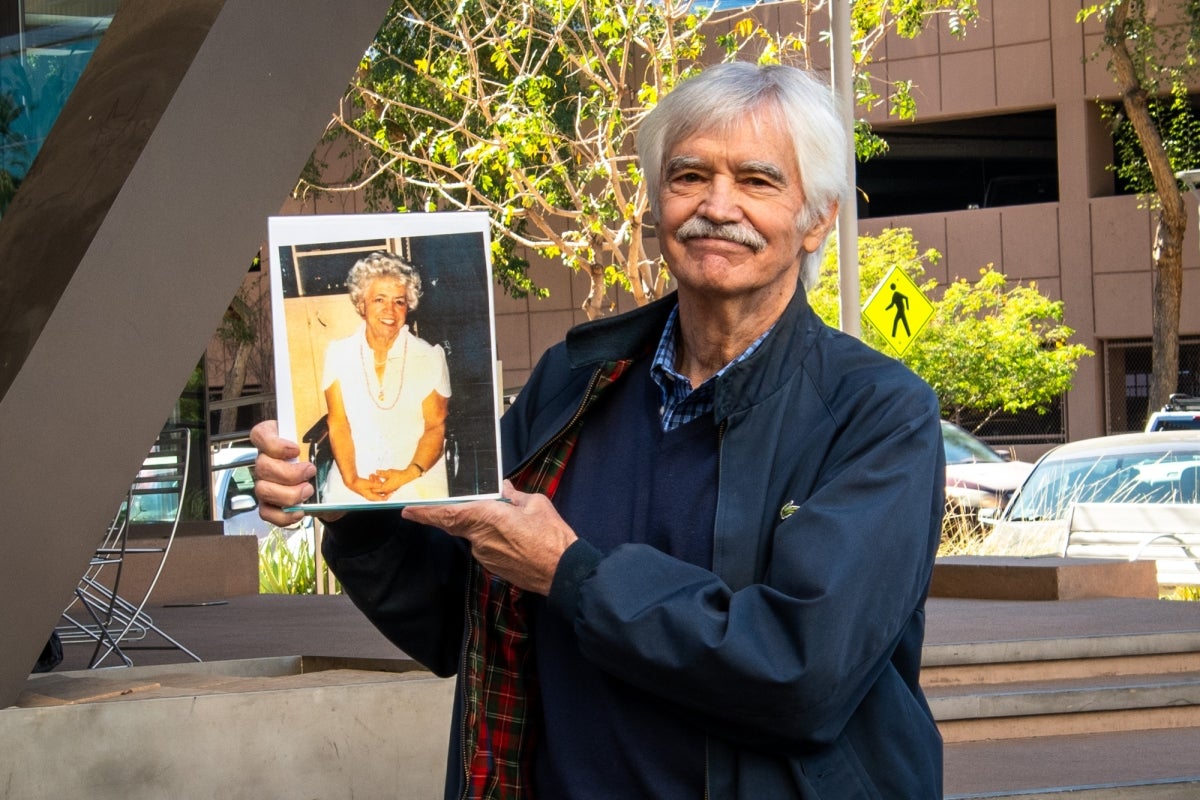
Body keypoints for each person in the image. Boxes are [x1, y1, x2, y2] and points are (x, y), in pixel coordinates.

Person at [253, 61, 945, 798]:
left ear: (818, 221)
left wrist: (571, 571)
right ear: (655, 205)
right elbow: (454, 617)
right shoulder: (575, 382)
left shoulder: (877, 413)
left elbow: (802, 673)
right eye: (688, 177)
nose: (717, 205)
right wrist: (351, 510)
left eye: (757, 180)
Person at [318, 251, 450, 504]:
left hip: (415, 474)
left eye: (399, 301)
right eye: (379, 299)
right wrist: (352, 480)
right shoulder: (338, 354)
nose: (390, 310)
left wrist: (406, 475)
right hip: (354, 472)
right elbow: (338, 422)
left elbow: (435, 426)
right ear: (361, 304)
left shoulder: (430, 356)